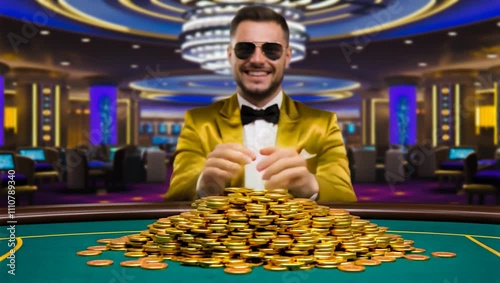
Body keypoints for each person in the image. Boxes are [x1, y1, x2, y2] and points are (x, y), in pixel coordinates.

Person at [164, 5, 357, 202]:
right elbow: (175, 196)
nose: (257, 59)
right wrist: (203, 185)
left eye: (271, 50)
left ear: (287, 56)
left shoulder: (323, 124)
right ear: (230, 55)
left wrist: (311, 186)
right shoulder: (198, 122)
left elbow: (346, 199)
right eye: (244, 49)